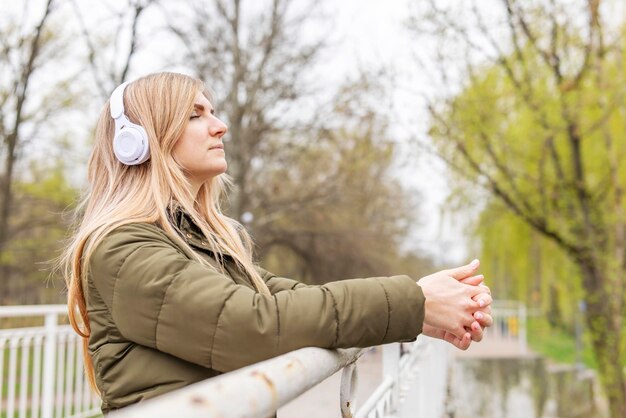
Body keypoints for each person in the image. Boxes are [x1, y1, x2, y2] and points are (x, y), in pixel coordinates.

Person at [62, 72, 492, 413]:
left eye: (212, 111)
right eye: (195, 115)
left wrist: (419, 311)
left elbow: (290, 300)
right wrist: (413, 301)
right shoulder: (122, 248)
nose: (220, 125)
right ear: (136, 144)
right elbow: (250, 325)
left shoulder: (206, 244)